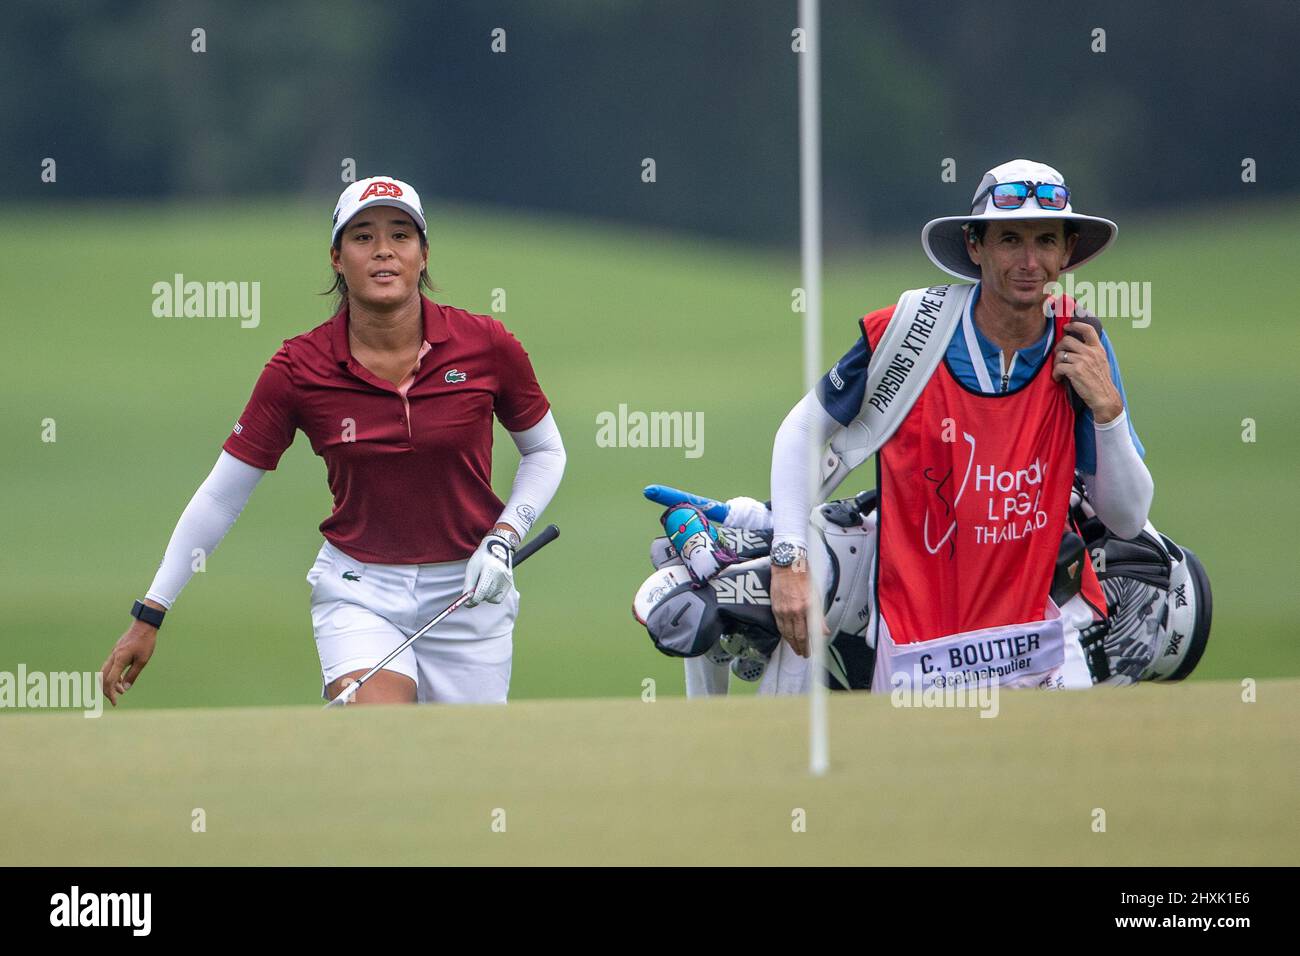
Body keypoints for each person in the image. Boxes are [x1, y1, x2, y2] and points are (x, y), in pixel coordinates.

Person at [100, 176, 565, 706]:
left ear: (423, 253)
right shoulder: (299, 367)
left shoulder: (486, 345)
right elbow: (222, 495)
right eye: (363, 237)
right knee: (381, 736)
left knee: (461, 771)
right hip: (359, 588)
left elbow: (545, 450)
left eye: (401, 235)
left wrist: (505, 535)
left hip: (471, 588)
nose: (383, 250)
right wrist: (151, 612)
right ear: (337, 259)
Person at [765, 158, 1152, 691]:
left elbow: (1127, 517)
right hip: (919, 656)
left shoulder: (1081, 342)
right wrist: (789, 560)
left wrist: (1108, 413)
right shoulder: (909, 331)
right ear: (976, 246)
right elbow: (802, 431)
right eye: (1010, 239)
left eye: (1045, 240)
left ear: (1067, 253)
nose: (1029, 261)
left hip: (1041, 648)